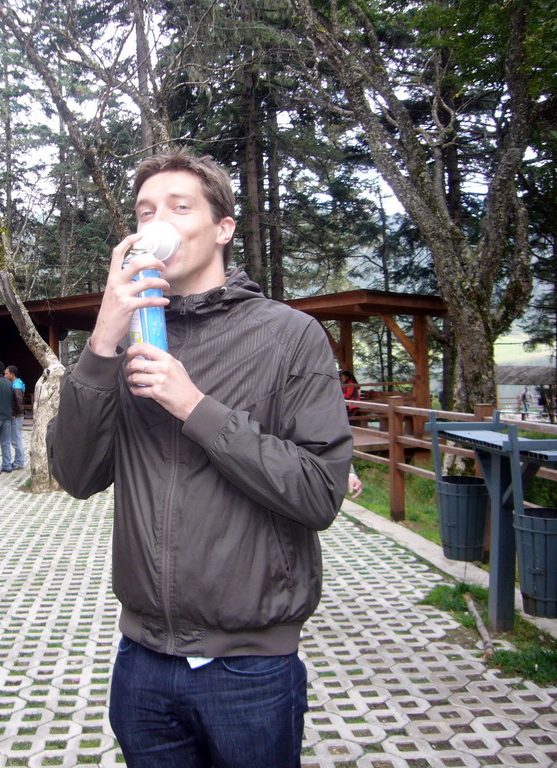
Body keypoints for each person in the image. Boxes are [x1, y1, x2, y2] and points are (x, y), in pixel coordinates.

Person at [48, 148, 353, 766]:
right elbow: (76, 475)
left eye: (179, 206)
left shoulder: (289, 335)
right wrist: (103, 339)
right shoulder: (128, 339)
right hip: (142, 663)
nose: (156, 220)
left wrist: (195, 407)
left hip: (250, 669)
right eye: (144, 210)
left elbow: (321, 491)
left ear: (223, 228)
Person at [4, 365, 27, 470]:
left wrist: (14, 413)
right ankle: (19, 460)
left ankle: (19, 461)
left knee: (15, 439)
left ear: (12, 374)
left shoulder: (16, 386)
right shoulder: (16, 384)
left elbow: (18, 402)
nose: (5, 375)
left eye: (6, 373)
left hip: (16, 416)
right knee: (15, 438)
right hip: (17, 415)